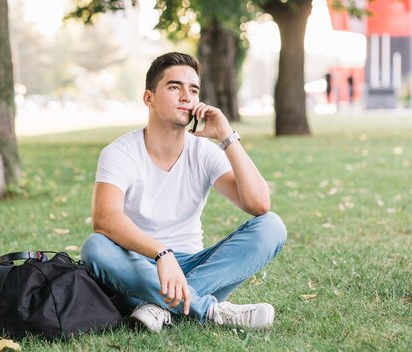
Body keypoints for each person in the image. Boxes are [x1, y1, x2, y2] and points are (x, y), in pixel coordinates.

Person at [81, 52, 286, 333]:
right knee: (95, 247)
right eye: (174, 87)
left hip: (193, 268)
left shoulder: (204, 153)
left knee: (272, 226)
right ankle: (211, 310)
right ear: (148, 98)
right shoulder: (120, 153)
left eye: (193, 90)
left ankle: (158, 306)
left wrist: (226, 136)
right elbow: (105, 219)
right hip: (137, 269)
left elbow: (259, 204)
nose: (186, 96)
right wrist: (160, 254)